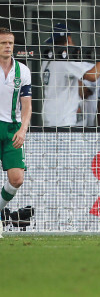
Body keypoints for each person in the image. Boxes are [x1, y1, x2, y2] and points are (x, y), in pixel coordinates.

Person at [42, 23, 100, 127]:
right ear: (69, 39)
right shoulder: (64, 57)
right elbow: (92, 76)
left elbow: (79, 86)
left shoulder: (47, 59)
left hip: (49, 116)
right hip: (63, 119)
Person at [0, 28, 31, 238]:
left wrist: (23, 129)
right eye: (3, 43)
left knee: (17, 178)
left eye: (10, 43)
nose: (8, 46)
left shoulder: (23, 71)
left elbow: (27, 105)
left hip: (12, 128)